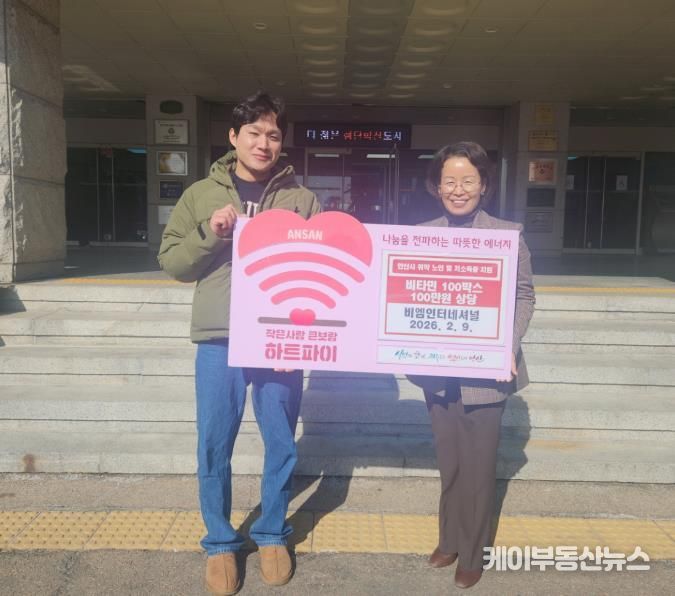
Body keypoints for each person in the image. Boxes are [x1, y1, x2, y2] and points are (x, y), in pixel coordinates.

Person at [158, 91, 321, 595]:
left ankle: (271, 533)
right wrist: (211, 231)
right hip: (219, 339)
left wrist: (301, 337)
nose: (263, 143)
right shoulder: (200, 195)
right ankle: (220, 542)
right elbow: (173, 262)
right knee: (214, 442)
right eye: (253, 132)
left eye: (273, 134)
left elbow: (318, 271)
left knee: (280, 440)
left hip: (279, 339)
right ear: (233, 137)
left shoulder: (302, 200)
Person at [410, 141, 535, 589]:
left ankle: (473, 550)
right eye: (449, 181)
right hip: (439, 372)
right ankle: (449, 539)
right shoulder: (421, 235)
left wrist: (506, 345)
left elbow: (524, 295)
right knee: (450, 461)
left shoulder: (507, 234)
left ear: (484, 185)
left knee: (479, 467)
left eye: (467, 180)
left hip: (487, 371)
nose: (458, 189)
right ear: (436, 186)